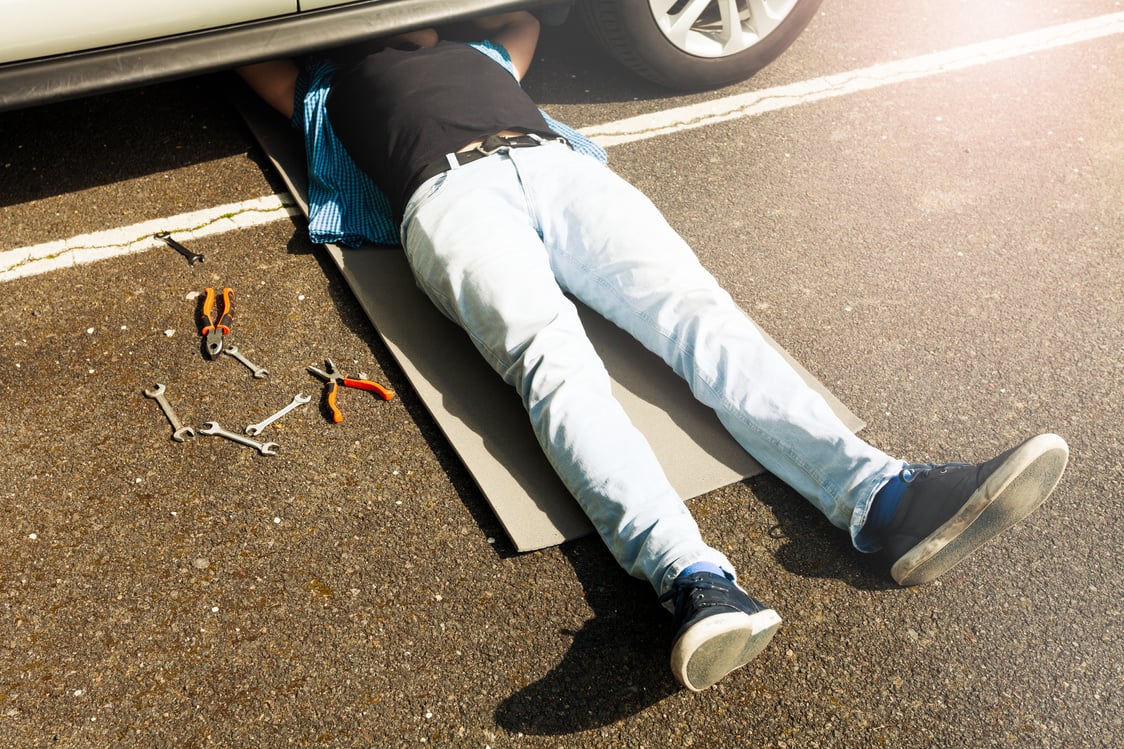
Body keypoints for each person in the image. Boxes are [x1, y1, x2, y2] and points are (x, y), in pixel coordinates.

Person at [237, 12, 1069, 692]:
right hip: (448, 198)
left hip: (559, 169)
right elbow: (246, 50)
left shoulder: (482, 50)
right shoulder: (327, 79)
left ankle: (885, 498)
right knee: (552, 362)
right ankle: (691, 580)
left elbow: (523, 17)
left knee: (697, 314)